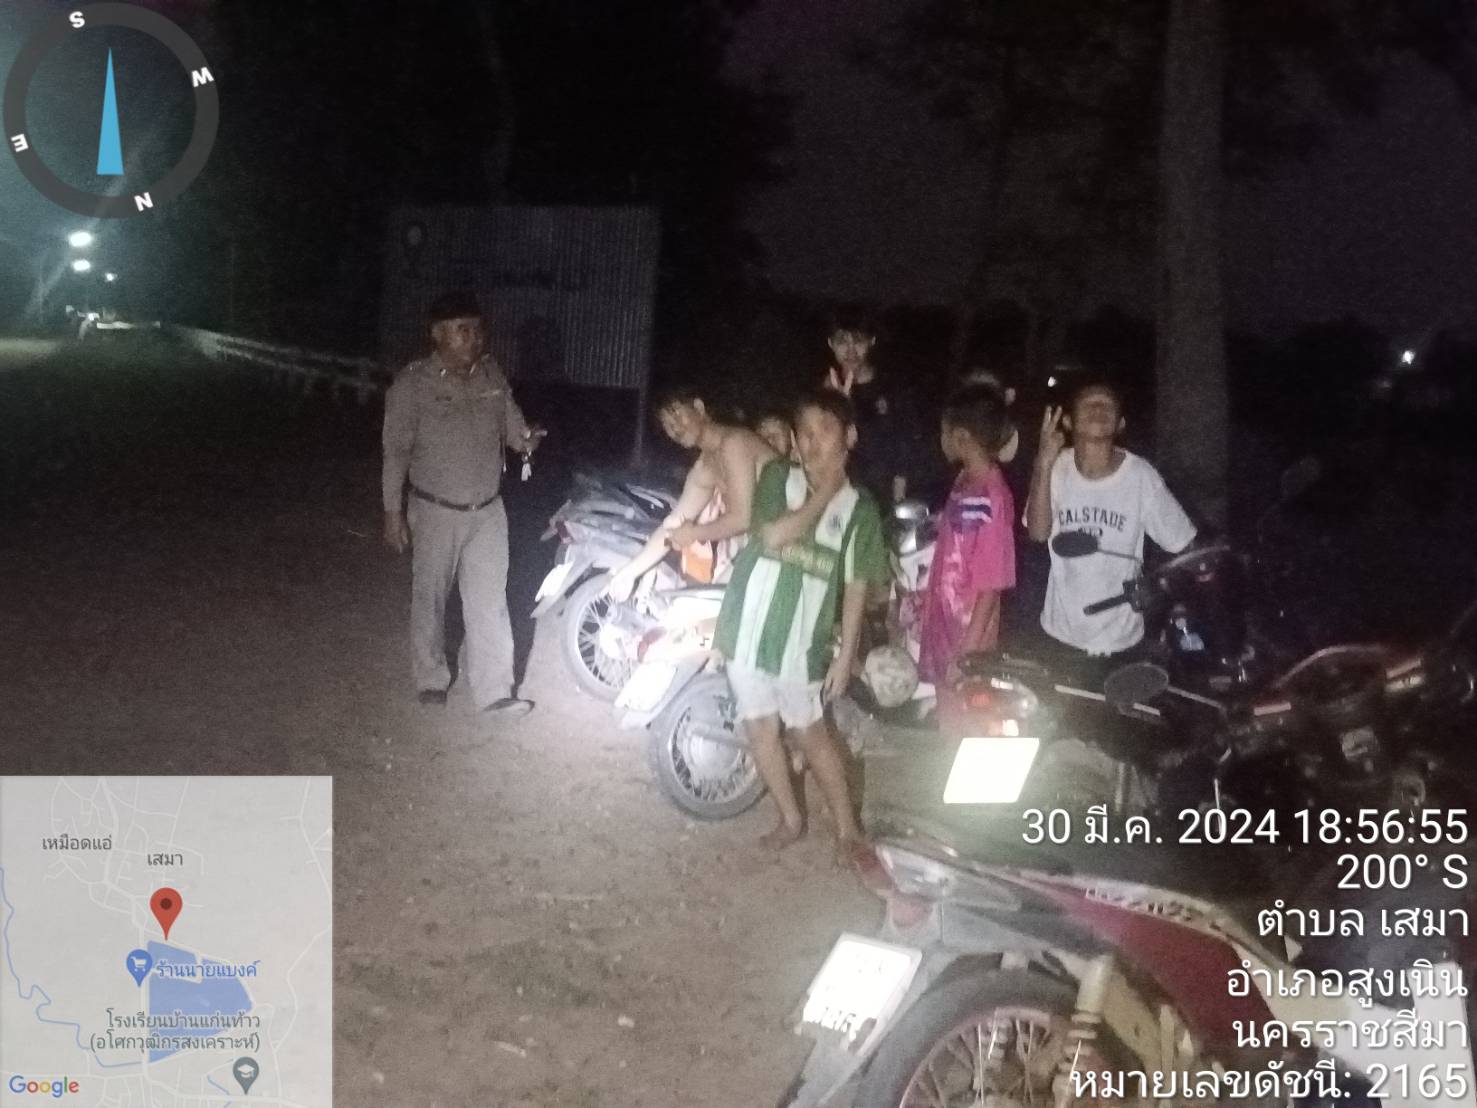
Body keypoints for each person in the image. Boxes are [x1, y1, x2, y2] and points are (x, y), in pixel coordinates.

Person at [714, 389, 891, 862]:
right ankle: (790, 820)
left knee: (812, 735)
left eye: (825, 431)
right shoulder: (778, 477)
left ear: (849, 437)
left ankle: (848, 832)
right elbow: (773, 536)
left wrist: (845, 654)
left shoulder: (861, 510)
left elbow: (856, 586)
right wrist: (825, 493)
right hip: (748, 632)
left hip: (801, 644)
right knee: (760, 730)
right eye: (804, 432)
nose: (812, 442)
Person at [382, 290, 546, 721]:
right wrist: (392, 511)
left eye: (477, 329)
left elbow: (514, 429)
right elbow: (395, 451)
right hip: (434, 510)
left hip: (487, 512)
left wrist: (527, 440)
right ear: (437, 334)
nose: (474, 337)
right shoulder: (413, 384)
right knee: (431, 599)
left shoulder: (492, 375)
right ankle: (431, 678)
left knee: (489, 602)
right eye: (462, 330)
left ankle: (494, 691)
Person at [1025, 377, 1197, 662]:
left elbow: (1182, 543)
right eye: (1088, 404)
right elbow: (1038, 532)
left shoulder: (1140, 476)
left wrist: (1166, 595)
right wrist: (1042, 463)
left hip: (1122, 639)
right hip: (1060, 634)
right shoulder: (1056, 468)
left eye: (1107, 405)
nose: (1098, 409)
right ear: (1068, 421)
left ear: (1120, 424)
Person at [605, 388, 777, 600]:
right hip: (758, 554)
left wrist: (694, 533)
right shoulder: (705, 467)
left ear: (699, 408)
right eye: (667, 424)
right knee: (687, 608)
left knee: (696, 610)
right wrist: (628, 573)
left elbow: (742, 519)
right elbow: (673, 524)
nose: (674, 428)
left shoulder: (734, 443)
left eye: (677, 414)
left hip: (789, 552)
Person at [918, 385, 1017, 686]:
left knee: (964, 707)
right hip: (945, 624)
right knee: (945, 703)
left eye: (944, 432)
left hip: (967, 635)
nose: (941, 439)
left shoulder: (991, 497)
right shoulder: (964, 481)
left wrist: (968, 654)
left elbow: (992, 584)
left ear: (961, 437)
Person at [822, 308, 924, 507]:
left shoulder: (892, 387)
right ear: (831, 344)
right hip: (838, 493)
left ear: (871, 341)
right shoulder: (825, 392)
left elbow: (906, 442)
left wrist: (899, 495)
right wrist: (837, 404)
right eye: (842, 341)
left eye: (858, 340)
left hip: (882, 495)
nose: (851, 350)